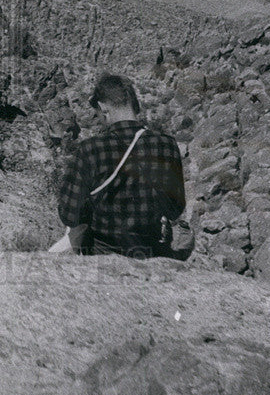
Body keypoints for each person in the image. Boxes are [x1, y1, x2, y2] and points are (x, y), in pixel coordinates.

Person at [56, 73, 186, 258]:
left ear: (103, 108)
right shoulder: (167, 144)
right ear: (134, 105)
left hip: (102, 255)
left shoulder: (91, 149)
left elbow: (69, 214)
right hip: (150, 254)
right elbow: (175, 208)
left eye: (99, 115)